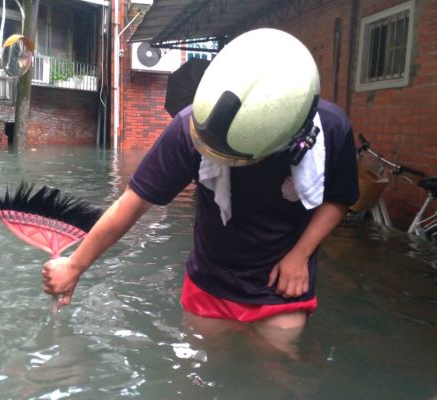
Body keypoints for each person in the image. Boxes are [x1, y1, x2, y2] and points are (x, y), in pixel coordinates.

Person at [42, 28, 358, 354]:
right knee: (203, 368)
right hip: (210, 281)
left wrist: (301, 254)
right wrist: (75, 265)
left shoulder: (330, 129)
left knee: (279, 367)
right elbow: (133, 203)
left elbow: (339, 197)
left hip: (282, 284)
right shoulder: (192, 128)